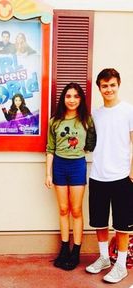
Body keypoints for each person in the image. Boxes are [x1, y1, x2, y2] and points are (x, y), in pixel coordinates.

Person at [85, 68, 133, 283]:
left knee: (122, 225)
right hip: (98, 175)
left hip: (122, 176)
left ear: (118, 84)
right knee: (99, 222)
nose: (109, 89)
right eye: (104, 86)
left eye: (112, 85)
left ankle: (121, 265)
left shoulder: (128, 111)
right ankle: (104, 258)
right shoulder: (95, 114)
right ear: (99, 88)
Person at [45, 82, 96, 271]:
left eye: (76, 96)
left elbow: (92, 142)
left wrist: (84, 149)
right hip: (59, 166)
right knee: (63, 209)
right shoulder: (55, 121)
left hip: (77, 166)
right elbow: (50, 149)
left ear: (80, 99)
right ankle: (64, 248)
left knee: (76, 210)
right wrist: (48, 173)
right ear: (63, 98)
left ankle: (76, 252)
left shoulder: (86, 120)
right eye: (68, 96)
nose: (72, 100)